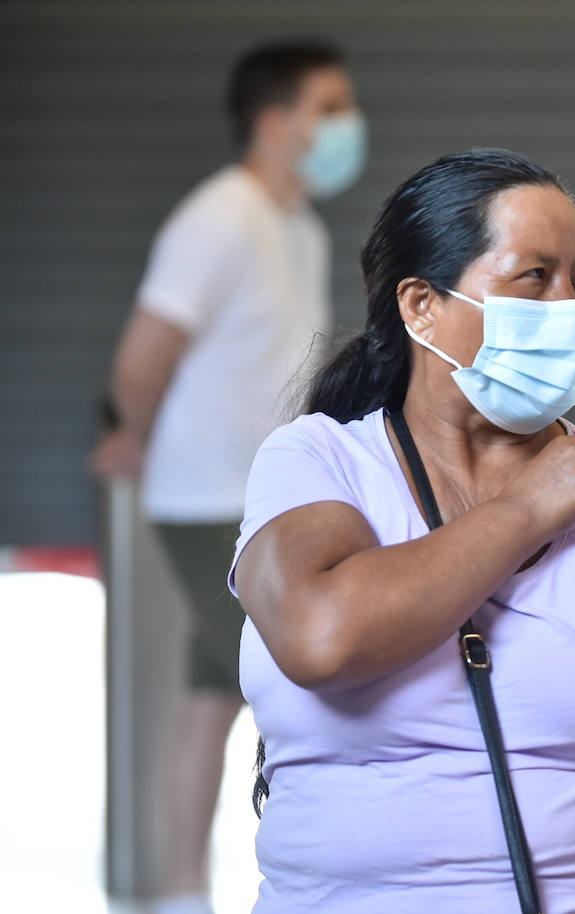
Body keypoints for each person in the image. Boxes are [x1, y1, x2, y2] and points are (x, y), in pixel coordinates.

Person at [228, 149, 575, 913]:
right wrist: (530, 508)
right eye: (533, 277)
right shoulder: (316, 462)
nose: (570, 307)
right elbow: (322, 638)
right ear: (421, 305)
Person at [88, 39, 365, 914]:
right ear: (275, 123)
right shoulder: (218, 218)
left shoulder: (298, 229)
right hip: (208, 501)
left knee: (213, 694)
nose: (348, 125)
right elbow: (142, 356)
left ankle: (179, 894)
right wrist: (134, 437)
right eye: (329, 108)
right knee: (299, 677)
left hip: (266, 503)